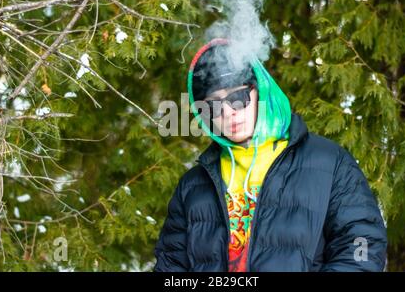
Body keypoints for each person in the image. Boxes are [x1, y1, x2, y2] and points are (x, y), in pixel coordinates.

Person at [154, 38, 387, 272]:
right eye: (214, 106)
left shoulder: (330, 163)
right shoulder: (192, 186)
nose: (228, 113)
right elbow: (170, 266)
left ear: (261, 91)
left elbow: (362, 247)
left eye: (238, 98)